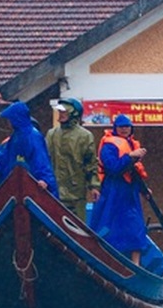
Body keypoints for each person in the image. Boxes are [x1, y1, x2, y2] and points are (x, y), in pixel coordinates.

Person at [88, 114, 149, 265]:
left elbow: (135, 172)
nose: (125, 129)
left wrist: (144, 190)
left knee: (135, 229)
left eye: (127, 127)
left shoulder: (132, 144)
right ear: (115, 128)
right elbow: (113, 168)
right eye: (121, 127)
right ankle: (109, 262)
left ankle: (136, 265)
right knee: (110, 227)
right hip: (113, 192)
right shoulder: (109, 146)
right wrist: (130, 156)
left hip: (130, 193)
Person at [0, 101, 59, 197]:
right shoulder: (15, 137)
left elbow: (41, 160)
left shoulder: (33, 137)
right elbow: (3, 158)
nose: (8, 123)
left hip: (32, 191)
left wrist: (45, 179)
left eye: (9, 119)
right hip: (13, 190)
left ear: (16, 119)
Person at [45, 98, 100, 222]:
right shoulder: (51, 134)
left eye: (65, 112)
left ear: (74, 113)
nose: (61, 115)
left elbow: (91, 163)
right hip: (55, 190)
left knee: (78, 227)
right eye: (60, 112)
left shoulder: (85, 136)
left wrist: (94, 186)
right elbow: (45, 160)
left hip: (76, 192)